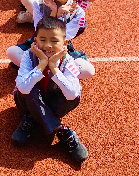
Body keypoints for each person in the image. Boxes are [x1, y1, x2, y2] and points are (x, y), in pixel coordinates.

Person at [12, 16, 89, 164]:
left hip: (54, 102)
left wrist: (54, 67)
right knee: (29, 87)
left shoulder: (68, 61)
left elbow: (72, 95)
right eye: (43, 40)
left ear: (64, 43)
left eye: (54, 41)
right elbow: (22, 87)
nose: (48, 45)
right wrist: (41, 64)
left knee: (75, 93)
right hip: (26, 101)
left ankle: (33, 117)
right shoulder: (28, 56)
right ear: (35, 41)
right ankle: (61, 130)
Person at [8, 0, 94, 80]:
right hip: (40, 44)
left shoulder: (78, 12)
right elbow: (40, 30)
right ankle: (52, 73)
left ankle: (42, 70)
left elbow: (65, 36)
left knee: (88, 70)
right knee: (12, 52)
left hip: (61, 48)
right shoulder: (39, 3)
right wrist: (55, 13)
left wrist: (59, 14)